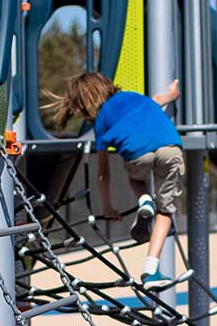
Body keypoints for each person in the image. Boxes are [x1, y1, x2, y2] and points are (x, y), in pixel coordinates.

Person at [50, 70, 184, 289]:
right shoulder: (133, 96)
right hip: (170, 147)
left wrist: (108, 207)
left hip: (138, 156)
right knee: (166, 211)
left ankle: (144, 201)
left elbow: (103, 172)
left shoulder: (101, 121)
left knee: (136, 179)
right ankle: (151, 269)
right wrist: (173, 93)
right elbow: (159, 100)